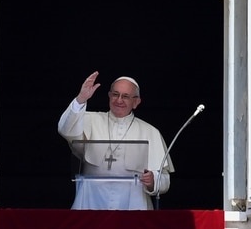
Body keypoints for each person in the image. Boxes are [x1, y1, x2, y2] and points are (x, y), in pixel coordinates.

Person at [58, 71, 174, 210]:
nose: (119, 100)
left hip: (133, 203)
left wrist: (153, 180)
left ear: (136, 102)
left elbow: (165, 180)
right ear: (109, 96)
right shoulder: (90, 119)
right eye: (115, 94)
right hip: (91, 199)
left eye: (125, 96)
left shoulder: (150, 132)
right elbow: (65, 130)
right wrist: (81, 99)